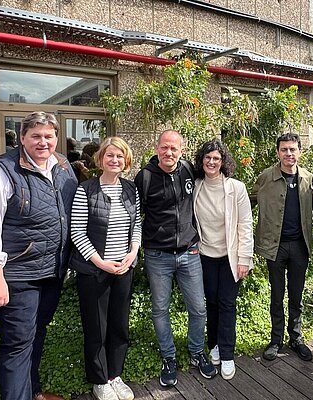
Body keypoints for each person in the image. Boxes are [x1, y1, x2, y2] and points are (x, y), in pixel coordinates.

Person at [0, 111, 77, 400]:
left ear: (57, 138)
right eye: (36, 136)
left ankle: (34, 393)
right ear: (21, 138)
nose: (43, 142)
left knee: (36, 335)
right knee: (17, 344)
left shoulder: (63, 166)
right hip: (17, 277)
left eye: (49, 136)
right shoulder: (0, 172)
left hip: (51, 271)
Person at [134, 129, 216, 387]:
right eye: (164, 147)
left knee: (199, 308)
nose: (169, 153)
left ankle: (196, 352)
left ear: (182, 150)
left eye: (174, 148)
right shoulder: (144, 177)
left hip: (190, 252)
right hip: (158, 255)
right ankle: (169, 358)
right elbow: (137, 216)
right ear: (157, 148)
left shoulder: (189, 170)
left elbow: (214, 178)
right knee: (160, 309)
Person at [70, 137, 141, 400]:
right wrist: (100, 262)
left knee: (119, 325)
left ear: (126, 160)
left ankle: (115, 375)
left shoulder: (131, 190)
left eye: (120, 156)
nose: (115, 160)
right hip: (94, 271)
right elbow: (77, 231)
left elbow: (137, 226)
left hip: (123, 268)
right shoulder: (85, 189)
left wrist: (132, 253)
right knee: (96, 328)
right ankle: (99, 380)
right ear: (101, 159)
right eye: (110, 155)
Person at [193, 139, 253, 380]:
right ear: (202, 161)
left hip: (231, 256)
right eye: (207, 158)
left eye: (216, 158)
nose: (211, 162)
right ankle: (215, 345)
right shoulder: (196, 186)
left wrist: (244, 259)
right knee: (212, 302)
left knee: (227, 304)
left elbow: (245, 225)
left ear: (223, 161)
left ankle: (227, 354)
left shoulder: (236, 188)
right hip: (205, 256)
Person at [252, 133, 313, 362]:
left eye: (293, 149)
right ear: (277, 152)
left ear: (299, 151)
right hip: (274, 247)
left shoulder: (307, 178)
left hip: (300, 246)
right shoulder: (266, 177)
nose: (289, 153)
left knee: (296, 295)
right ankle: (276, 339)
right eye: (284, 149)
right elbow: (248, 200)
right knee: (277, 295)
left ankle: (295, 338)